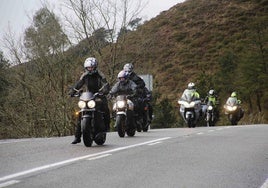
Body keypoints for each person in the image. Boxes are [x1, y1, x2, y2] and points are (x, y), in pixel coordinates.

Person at [69, 57, 110, 144]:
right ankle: (77, 137)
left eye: (91, 67)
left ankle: (106, 127)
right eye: (88, 68)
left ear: (95, 67)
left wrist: (105, 90)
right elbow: (79, 84)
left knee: (105, 108)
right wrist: (72, 91)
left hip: (99, 94)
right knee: (80, 113)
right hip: (88, 96)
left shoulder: (100, 75)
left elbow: (105, 84)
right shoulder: (85, 75)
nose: (90, 69)